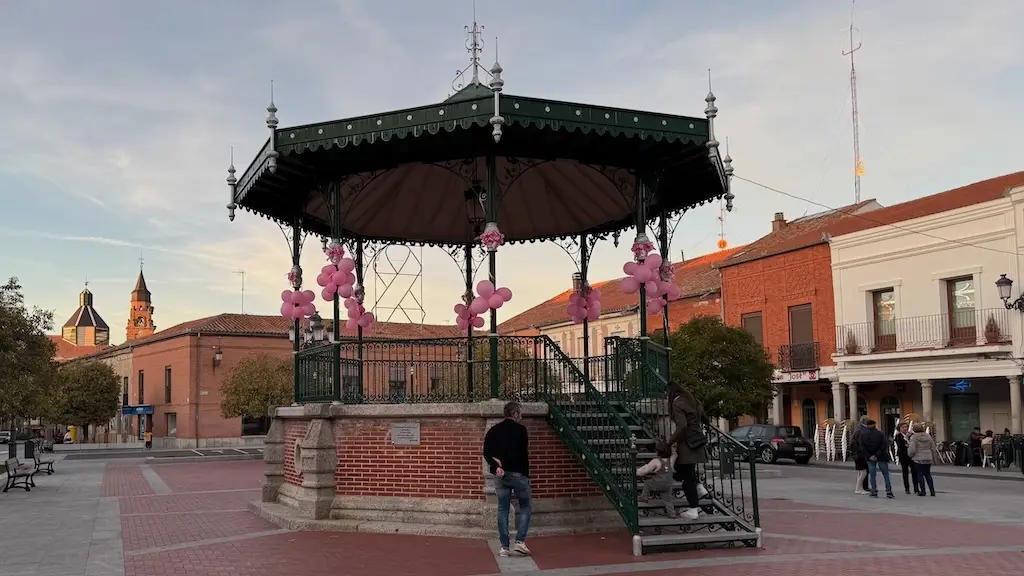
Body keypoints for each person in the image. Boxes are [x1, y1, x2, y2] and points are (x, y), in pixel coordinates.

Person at [483, 402, 532, 558]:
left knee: (502, 509)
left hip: (500, 474)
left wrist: (496, 465)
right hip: (519, 473)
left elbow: (486, 452)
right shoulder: (521, 430)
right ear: (515, 414)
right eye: (520, 413)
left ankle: (504, 547)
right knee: (525, 506)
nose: (521, 416)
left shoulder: (494, 430)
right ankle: (520, 542)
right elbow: (522, 453)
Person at [666, 381, 711, 521]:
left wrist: (669, 442)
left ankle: (693, 509)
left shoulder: (677, 403)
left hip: (687, 444)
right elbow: (706, 419)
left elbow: (682, 426)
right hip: (697, 440)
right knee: (682, 471)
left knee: (685, 477)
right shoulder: (693, 400)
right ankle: (699, 487)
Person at [636, 440, 677, 517]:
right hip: (668, 484)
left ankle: (644, 497)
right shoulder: (671, 460)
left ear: (658, 451)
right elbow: (674, 454)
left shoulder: (656, 461)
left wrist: (637, 472)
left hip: (658, 483)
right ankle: (672, 513)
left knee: (647, 482)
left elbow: (646, 470)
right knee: (668, 500)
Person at [857, 419, 894, 498]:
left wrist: (870, 456)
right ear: (875, 425)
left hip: (870, 458)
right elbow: (884, 446)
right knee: (885, 474)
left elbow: (862, 447)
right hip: (881, 457)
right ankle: (888, 491)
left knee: (872, 474)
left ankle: (874, 491)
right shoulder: (880, 434)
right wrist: (877, 455)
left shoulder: (863, 435)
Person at [907, 423, 937, 496]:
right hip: (928, 457)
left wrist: (910, 455)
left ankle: (923, 491)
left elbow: (912, 449)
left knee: (920, 474)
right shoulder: (928, 436)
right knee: (928, 474)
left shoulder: (914, 437)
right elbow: (933, 447)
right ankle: (932, 491)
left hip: (918, 458)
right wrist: (934, 458)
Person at [894, 422, 921, 495]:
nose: (905, 428)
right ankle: (907, 488)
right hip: (903, 456)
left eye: (906, 427)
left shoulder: (912, 435)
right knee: (905, 472)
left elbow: (914, 443)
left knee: (914, 472)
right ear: (899, 429)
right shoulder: (898, 436)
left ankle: (916, 488)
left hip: (912, 456)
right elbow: (901, 444)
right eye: (903, 427)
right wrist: (905, 437)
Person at [850, 415, 871, 495]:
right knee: (863, 472)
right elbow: (861, 444)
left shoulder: (859, 430)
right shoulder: (861, 431)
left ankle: (860, 488)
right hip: (860, 455)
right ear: (865, 421)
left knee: (861, 472)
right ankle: (858, 488)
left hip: (858, 454)